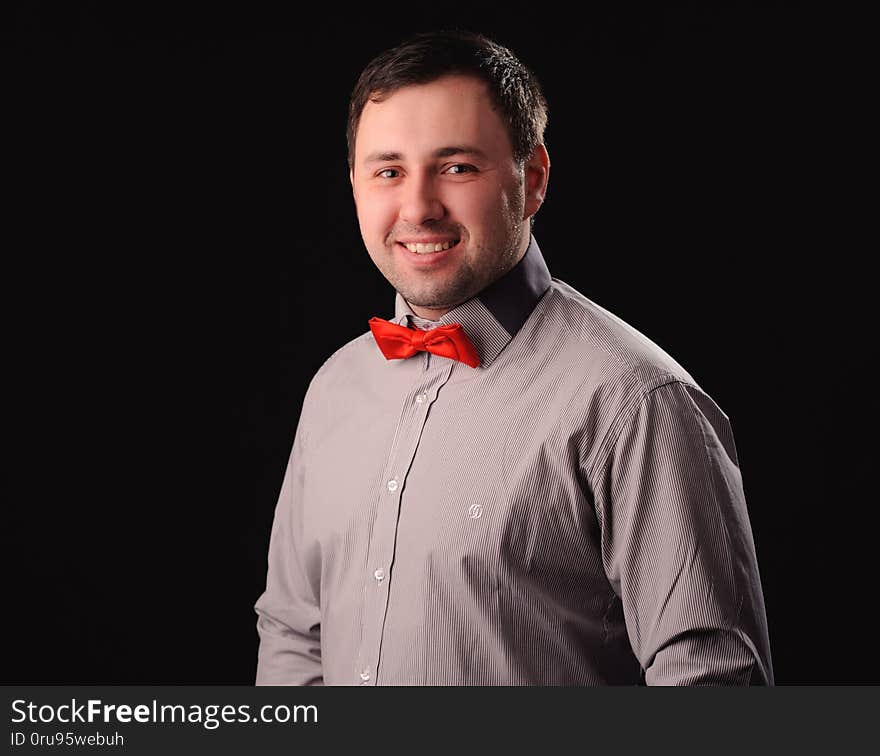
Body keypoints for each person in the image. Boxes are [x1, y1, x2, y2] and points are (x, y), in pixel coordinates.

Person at [254, 29, 774, 686]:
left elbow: (715, 687)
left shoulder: (635, 400)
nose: (418, 207)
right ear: (356, 185)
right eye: (388, 171)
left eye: (457, 167)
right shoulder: (335, 389)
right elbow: (295, 636)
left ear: (533, 182)